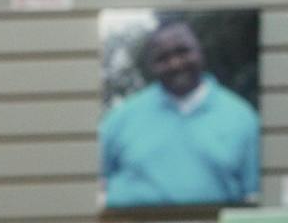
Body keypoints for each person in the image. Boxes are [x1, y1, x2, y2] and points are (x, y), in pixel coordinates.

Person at [98, 16, 260, 209]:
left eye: (183, 52)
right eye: (162, 58)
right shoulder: (119, 119)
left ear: (200, 52)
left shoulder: (242, 117)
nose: (175, 64)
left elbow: (253, 195)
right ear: (151, 66)